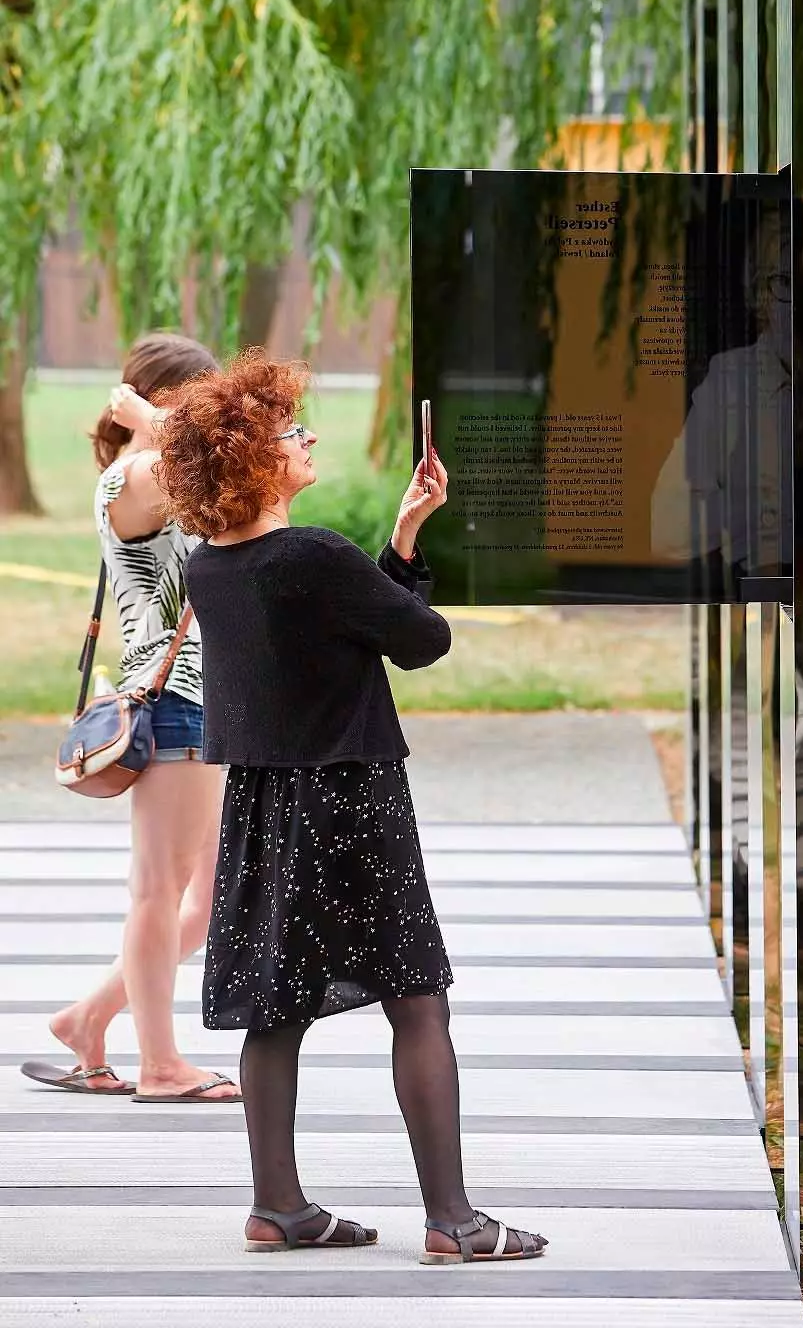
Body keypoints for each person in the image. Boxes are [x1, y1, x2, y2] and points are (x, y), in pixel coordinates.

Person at [156, 349, 548, 1262]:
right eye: (292, 432)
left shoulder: (212, 565)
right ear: (255, 459)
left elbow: (325, 629)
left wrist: (404, 534)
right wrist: (408, 564)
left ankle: (277, 1205)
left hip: (262, 803)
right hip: (351, 797)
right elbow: (420, 640)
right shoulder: (314, 554)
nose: (306, 438)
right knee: (417, 1000)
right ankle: (453, 1219)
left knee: (275, 1006)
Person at [21, 331, 241, 1104]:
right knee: (159, 891)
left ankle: (89, 1019)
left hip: (209, 697)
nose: (215, 417)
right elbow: (192, 491)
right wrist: (151, 428)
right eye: (200, 402)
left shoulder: (159, 461)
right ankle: (159, 1064)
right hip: (173, 696)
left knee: (205, 901)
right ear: (161, 399)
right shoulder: (135, 475)